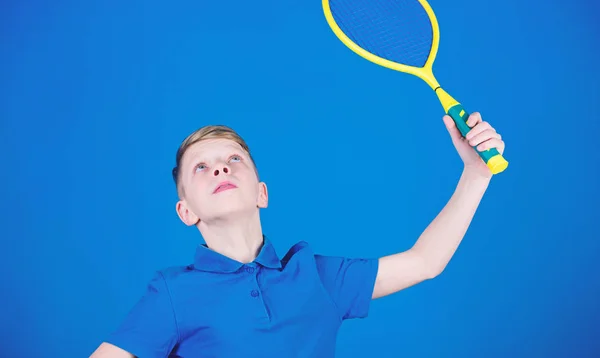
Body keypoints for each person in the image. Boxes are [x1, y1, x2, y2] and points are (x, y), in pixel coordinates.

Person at [90, 112, 505, 357]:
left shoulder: (317, 277)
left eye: (234, 159)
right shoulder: (172, 294)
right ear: (186, 212)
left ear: (261, 192)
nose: (221, 168)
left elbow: (425, 262)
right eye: (201, 167)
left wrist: (476, 174)